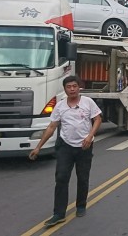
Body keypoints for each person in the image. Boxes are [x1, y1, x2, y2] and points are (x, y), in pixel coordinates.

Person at [29, 75, 102, 227]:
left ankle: (81, 205)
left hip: (84, 147)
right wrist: (38, 147)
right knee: (61, 178)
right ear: (65, 89)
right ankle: (59, 213)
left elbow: (98, 119)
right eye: (69, 87)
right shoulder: (60, 106)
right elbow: (51, 127)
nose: (72, 89)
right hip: (65, 147)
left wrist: (90, 136)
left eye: (74, 86)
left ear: (79, 87)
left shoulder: (87, 102)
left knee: (82, 178)